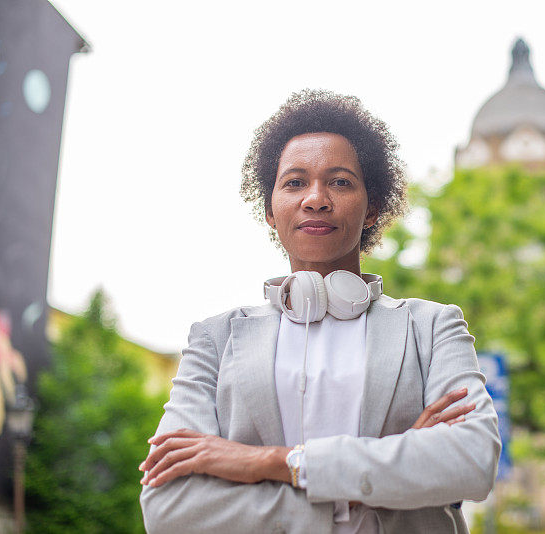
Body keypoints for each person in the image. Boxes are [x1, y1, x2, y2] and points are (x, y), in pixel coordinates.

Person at [138, 88, 501, 533]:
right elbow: (168, 507)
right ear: (270, 210)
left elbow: (471, 461)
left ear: (373, 208)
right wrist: (381, 486)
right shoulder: (216, 340)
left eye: (340, 181)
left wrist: (272, 462)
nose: (316, 198)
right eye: (294, 182)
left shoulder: (431, 327)